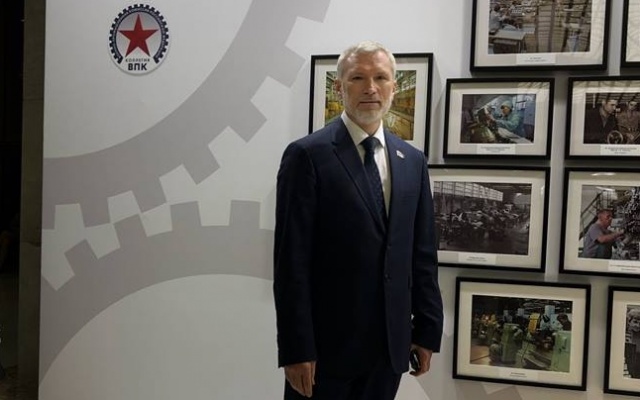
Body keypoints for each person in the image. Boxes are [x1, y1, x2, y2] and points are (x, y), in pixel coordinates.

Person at [273, 41, 443, 400]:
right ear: (339, 87)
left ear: (394, 87)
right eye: (357, 78)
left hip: (389, 349)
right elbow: (291, 262)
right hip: (325, 351)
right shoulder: (307, 156)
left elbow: (422, 254)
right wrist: (296, 349)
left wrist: (427, 331)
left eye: (381, 78)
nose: (370, 88)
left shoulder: (412, 161)